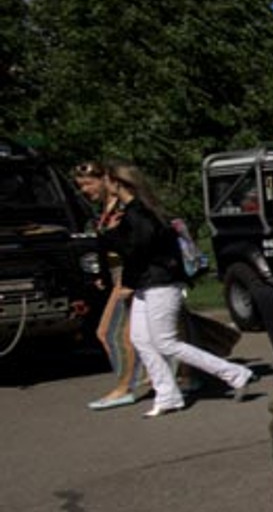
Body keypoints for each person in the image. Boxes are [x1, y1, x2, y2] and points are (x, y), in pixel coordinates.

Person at [98, 162, 255, 416]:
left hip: (160, 283)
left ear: (118, 184)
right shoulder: (136, 211)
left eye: (106, 181)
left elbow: (137, 251)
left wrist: (110, 240)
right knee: (141, 339)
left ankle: (236, 373)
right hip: (147, 284)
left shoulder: (140, 214)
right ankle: (167, 395)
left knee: (166, 342)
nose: (104, 186)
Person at [72, 162, 146, 409]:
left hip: (129, 277)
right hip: (117, 276)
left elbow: (130, 244)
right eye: (80, 186)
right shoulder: (105, 209)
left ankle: (125, 387)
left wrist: (127, 279)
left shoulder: (124, 208)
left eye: (88, 183)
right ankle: (170, 376)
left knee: (112, 333)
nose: (84, 190)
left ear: (105, 179)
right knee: (146, 334)